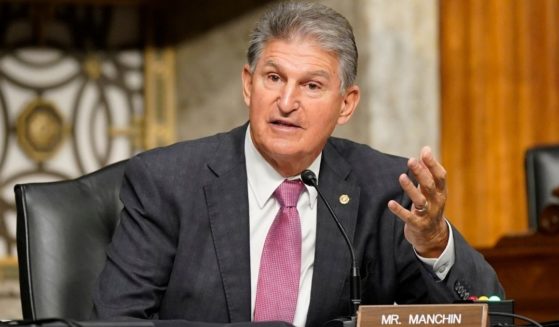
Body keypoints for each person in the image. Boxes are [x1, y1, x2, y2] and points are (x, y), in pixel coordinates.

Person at [92, 2, 503, 327]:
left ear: (346, 104)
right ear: (248, 84)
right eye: (273, 78)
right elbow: (113, 322)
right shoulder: (167, 181)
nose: (287, 102)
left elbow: (489, 313)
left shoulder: (385, 189)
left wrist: (434, 244)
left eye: (311, 85)